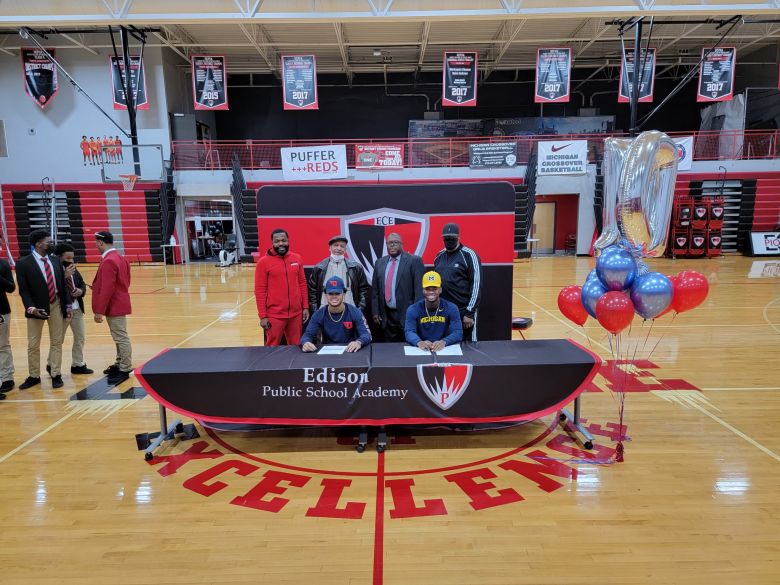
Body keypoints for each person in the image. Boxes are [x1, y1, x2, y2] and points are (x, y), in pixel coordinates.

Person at [15, 229, 72, 390]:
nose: (51, 243)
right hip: (36, 309)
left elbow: (62, 285)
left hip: (56, 305)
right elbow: (24, 290)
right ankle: (34, 376)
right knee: (33, 344)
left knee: (56, 342)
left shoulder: (55, 261)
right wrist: (31, 308)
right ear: (39, 244)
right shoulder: (23, 263)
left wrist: (68, 305)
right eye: (49, 241)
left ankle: (56, 373)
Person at [254, 228, 309, 346]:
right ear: (272, 243)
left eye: (283, 240)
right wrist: (263, 316)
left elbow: (302, 283)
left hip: (296, 314)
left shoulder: (297, 258)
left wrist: (305, 307)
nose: (280, 244)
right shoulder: (263, 263)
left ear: (288, 241)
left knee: (296, 347)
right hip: (274, 315)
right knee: (271, 348)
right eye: (277, 241)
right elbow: (259, 291)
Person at [92, 231, 133, 386]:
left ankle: (125, 367)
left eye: (96, 243)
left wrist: (99, 310)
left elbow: (108, 288)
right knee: (119, 336)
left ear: (101, 242)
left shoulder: (109, 260)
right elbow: (126, 281)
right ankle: (119, 363)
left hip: (113, 304)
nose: (96, 246)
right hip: (119, 301)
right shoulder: (121, 258)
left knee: (120, 337)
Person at [48, 243, 93, 375]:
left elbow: (81, 283)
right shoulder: (53, 269)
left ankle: (77, 364)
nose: (71, 261)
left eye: (72, 258)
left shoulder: (72, 267)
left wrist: (81, 290)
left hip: (77, 308)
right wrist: (64, 276)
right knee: (58, 340)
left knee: (80, 337)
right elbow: (52, 288)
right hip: (62, 310)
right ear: (58, 257)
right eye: (68, 258)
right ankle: (51, 364)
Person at [371, 232, 424, 342]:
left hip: (407, 314)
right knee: (390, 352)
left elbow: (419, 290)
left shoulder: (414, 261)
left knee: (409, 348)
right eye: (389, 243)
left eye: (395, 242)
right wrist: (375, 311)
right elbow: (375, 290)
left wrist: (417, 313)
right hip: (386, 316)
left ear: (402, 244)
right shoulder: (379, 262)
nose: (392, 245)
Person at [433, 222, 482, 342]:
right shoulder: (439, 256)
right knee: (446, 345)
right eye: (446, 238)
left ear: (458, 237)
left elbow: (476, 285)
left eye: (452, 238)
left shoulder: (469, 255)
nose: (449, 240)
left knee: (469, 346)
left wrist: (469, 313)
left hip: (463, 310)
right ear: (442, 238)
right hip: (444, 311)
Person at [301, 276, 371, 353]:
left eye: (337, 293)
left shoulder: (355, 312)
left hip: (349, 350)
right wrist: (306, 342)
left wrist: (359, 342)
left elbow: (366, 334)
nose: (334, 297)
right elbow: (307, 335)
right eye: (330, 293)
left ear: (343, 294)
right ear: (325, 295)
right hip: (326, 352)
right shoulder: (319, 314)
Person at [308, 234, 370, 313]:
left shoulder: (356, 267)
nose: (339, 248)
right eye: (336, 245)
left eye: (342, 246)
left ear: (345, 249)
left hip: (349, 310)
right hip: (325, 311)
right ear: (330, 248)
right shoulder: (319, 267)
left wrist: (359, 309)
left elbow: (363, 290)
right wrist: (316, 311)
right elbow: (312, 290)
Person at [404, 271, 462, 351]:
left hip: (444, 349)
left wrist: (444, 341)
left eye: (435, 289)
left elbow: (457, 332)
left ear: (440, 290)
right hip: (423, 349)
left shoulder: (451, 308)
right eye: (427, 289)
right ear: (423, 290)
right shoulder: (413, 309)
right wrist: (419, 342)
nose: (431, 292)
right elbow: (409, 331)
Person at [0, 257, 15, 397]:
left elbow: (11, 287)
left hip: (1, 310)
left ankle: (6, 378)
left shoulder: (3, 263)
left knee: (3, 345)